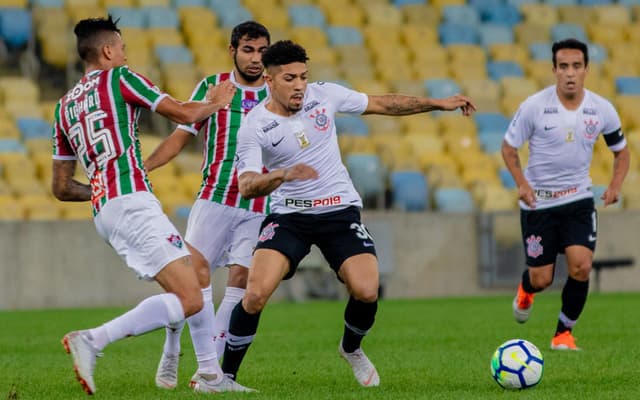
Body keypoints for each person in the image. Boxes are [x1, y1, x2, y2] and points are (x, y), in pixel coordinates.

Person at [218, 40, 475, 389]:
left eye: (304, 77)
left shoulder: (325, 96)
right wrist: (282, 175)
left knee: (367, 290)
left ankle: (351, 348)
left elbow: (383, 103)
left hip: (338, 210)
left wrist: (436, 103)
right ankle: (224, 377)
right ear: (269, 81)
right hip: (289, 216)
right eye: (290, 78)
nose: (299, 86)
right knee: (255, 294)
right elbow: (247, 185)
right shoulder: (255, 125)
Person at [53, 16, 253, 394]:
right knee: (190, 295)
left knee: (190, 276)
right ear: (109, 50)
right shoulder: (121, 78)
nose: (126, 56)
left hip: (107, 211)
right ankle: (93, 340)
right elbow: (183, 113)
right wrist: (216, 102)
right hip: (131, 202)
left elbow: (61, 188)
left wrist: (100, 190)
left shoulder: (64, 106)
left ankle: (209, 375)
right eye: (123, 49)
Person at [143, 21, 270, 389]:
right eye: (248, 50)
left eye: (262, 51)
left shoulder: (277, 91)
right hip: (214, 200)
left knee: (242, 281)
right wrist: (145, 167)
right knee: (191, 282)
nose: (256, 58)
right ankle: (171, 348)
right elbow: (181, 136)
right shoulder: (213, 89)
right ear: (233, 51)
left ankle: (208, 371)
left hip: (258, 205)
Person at [502, 38, 630, 351]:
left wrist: (615, 186)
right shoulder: (534, 106)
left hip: (578, 200)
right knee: (542, 278)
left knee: (581, 266)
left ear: (586, 69)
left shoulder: (601, 109)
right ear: (554, 70)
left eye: (576, 66)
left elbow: (621, 152)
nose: (569, 73)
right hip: (538, 203)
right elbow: (508, 148)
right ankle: (527, 288)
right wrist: (521, 183)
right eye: (563, 67)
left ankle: (563, 334)